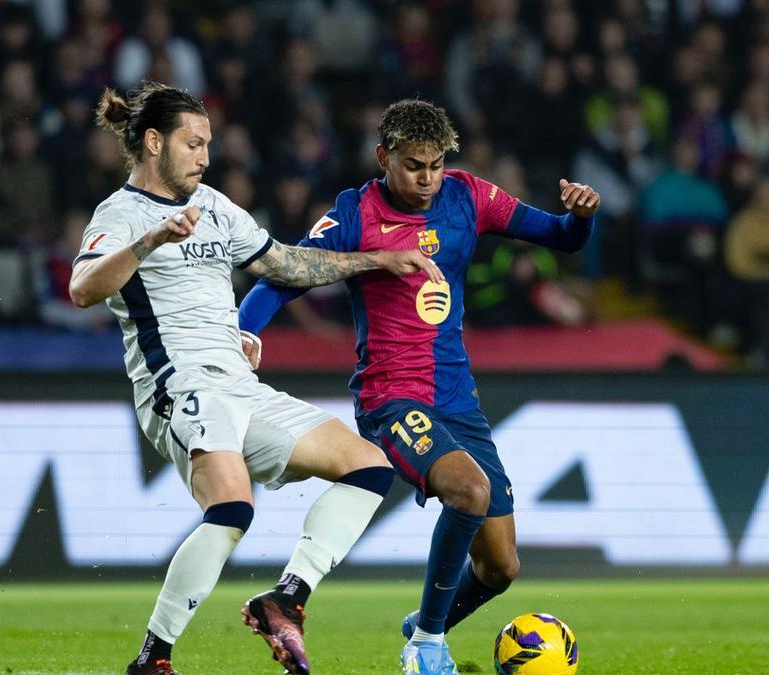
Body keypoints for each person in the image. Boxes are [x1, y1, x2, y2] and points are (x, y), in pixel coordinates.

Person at [68, 82, 443, 675]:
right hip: (181, 382)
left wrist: (376, 259)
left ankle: (286, 597)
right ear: (153, 142)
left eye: (208, 144)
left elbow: (287, 262)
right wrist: (150, 240)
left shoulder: (215, 205)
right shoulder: (120, 216)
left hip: (239, 383)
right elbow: (84, 290)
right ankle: (153, 657)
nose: (205, 157)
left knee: (370, 467)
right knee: (232, 509)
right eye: (193, 144)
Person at [237, 99, 600, 675]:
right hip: (391, 397)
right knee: (469, 492)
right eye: (412, 165)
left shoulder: (468, 196)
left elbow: (560, 237)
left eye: (435, 164)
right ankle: (427, 646)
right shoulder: (355, 214)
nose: (426, 179)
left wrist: (580, 217)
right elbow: (286, 274)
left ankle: (424, 623)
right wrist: (244, 331)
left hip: (459, 400)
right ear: (384, 157)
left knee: (501, 567)